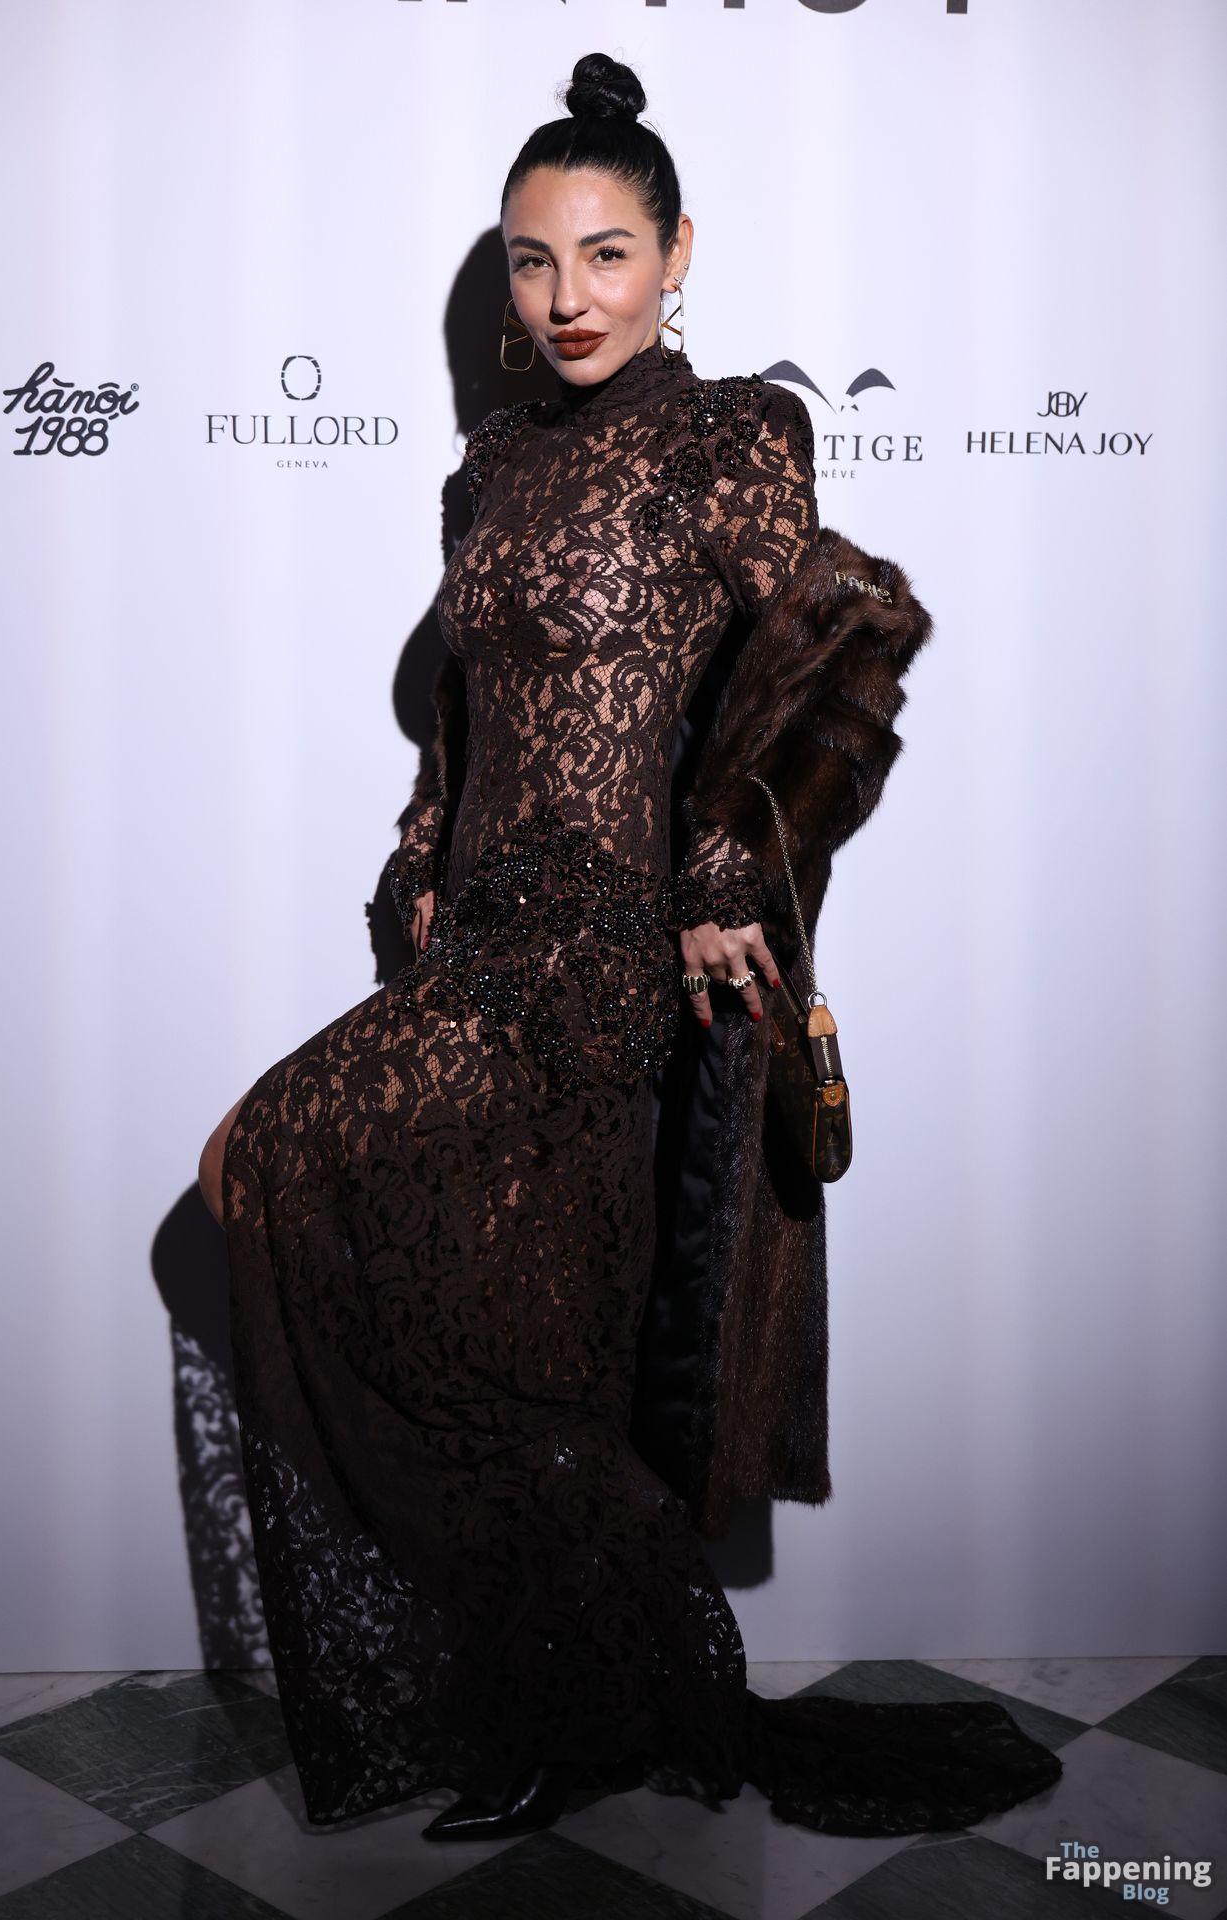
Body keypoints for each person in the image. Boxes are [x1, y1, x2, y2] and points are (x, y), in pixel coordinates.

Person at [198, 51, 1063, 1843]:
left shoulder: (728, 436)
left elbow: (844, 647)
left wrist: (728, 864)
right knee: (443, 1297)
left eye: (603, 253)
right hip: (473, 949)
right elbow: (470, 718)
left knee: (433, 1275)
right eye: (531, 260)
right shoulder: (490, 466)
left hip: (605, 973)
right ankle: (571, 1696)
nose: (565, 296)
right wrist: (419, 854)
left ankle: (573, 1705)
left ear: (677, 254)